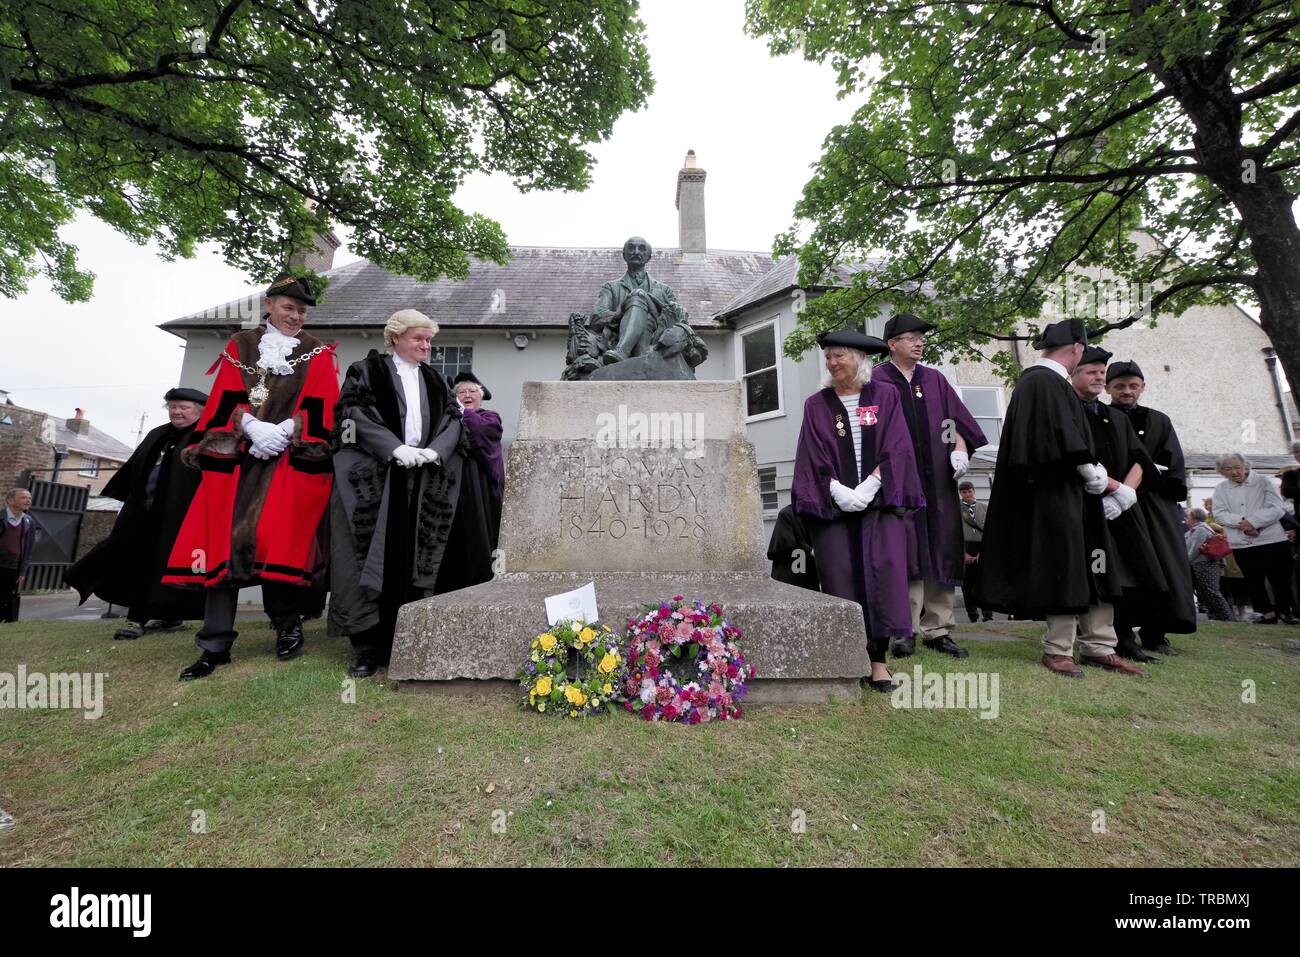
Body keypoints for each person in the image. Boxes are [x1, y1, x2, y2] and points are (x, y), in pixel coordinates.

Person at [163, 272, 338, 680]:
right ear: (269, 305)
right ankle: (215, 643)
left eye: (302, 310)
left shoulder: (316, 351)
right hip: (238, 460)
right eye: (289, 307)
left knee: (279, 542)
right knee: (222, 543)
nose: (296, 316)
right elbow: (225, 395)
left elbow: (322, 402)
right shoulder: (240, 345)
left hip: (287, 460)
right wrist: (250, 427)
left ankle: (286, 624)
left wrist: (285, 431)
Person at [979, 319, 1146, 678]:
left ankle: (1100, 646)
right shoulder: (1042, 381)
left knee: (1094, 564)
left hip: (1073, 494)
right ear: (1076, 348)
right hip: (1055, 494)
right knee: (1066, 568)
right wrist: (1091, 471)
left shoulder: (1048, 383)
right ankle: (1058, 650)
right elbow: (1055, 437)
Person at [329, 311, 469, 678]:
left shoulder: (436, 378)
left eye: (428, 340)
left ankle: (410, 639)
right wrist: (393, 448)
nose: (426, 346)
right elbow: (352, 414)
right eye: (418, 339)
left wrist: (435, 450)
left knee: (416, 560)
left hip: (423, 484)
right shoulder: (366, 371)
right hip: (379, 480)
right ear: (394, 338)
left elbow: (455, 420)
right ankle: (366, 648)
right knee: (369, 560)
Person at [790, 329, 925, 692]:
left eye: (840, 356)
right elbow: (811, 456)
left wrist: (870, 486)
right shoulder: (817, 404)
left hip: (878, 507)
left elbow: (897, 446)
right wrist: (838, 490)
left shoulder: (885, 396)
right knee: (840, 580)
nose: (833, 363)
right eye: (829, 357)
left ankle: (878, 663)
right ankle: (848, 660)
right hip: (835, 511)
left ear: (860, 359)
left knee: (882, 579)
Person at [872, 313, 987, 658]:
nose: (919, 342)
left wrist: (960, 450)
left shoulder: (935, 380)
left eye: (921, 337)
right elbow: (866, 433)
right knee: (905, 555)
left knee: (942, 551)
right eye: (910, 337)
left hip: (939, 481)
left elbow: (957, 422)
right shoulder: (877, 381)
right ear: (892, 344)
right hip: (899, 485)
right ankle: (902, 629)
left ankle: (938, 629)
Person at [66, 388, 209, 639]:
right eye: (172, 407)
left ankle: (170, 615)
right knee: (138, 564)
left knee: (174, 568)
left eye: (183, 407)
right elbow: (135, 468)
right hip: (143, 514)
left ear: (200, 410)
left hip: (181, 519)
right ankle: (136, 618)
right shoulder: (158, 435)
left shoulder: (205, 437)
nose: (176, 411)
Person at [1071, 347, 1171, 663]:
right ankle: (1105, 640)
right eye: (1092, 371)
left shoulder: (1113, 416)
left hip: (1123, 508)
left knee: (1133, 572)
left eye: (1103, 372)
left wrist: (1125, 491)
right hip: (1087, 506)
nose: (1099, 377)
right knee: (1099, 574)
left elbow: (1142, 458)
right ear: (1073, 374)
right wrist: (1112, 488)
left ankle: (1127, 638)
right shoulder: (1070, 412)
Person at [1105, 359, 1197, 655]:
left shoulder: (1159, 420)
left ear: (1143, 387)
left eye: (1133, 386)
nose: (1127, 391)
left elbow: (1172, 463)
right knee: (1124, 570)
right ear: (1108, 388)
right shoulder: (1101, 418)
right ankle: (1122, 634)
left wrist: (1156, 480)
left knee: (1165, 564)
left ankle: (1156, 633)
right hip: (1117, 504)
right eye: (1119, 386)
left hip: (1156, 505)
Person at [1212, 452, 1297, 624]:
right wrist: (1242, 523)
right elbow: (1219, 513)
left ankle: (1285, 611)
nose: (1234, 472)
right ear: (1222, 471)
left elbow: (1276, 507)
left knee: (1280, 578)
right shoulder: (1221, 488)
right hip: (1242, 543)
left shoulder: (1264, 481)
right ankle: (1266, 613)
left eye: (1237, 467)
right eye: (1228, 469)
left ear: (1245, 466)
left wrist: (1253, 522)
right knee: (1253, 580)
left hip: (1271, 539)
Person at [452, 371, 504, 552]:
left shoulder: (490, 417)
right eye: (461, 392)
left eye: (472, 391)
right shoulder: (448, 419)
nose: (467, 395)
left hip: (481, 485)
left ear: (480, 397)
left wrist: (461, 410)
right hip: (454, 485)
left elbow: (479, 430)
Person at [1184, 507, 1237, 621]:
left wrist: (1185, 562)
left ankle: (1227, 617)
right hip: (1200, 563)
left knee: (1211, 591)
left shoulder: (1201, 529)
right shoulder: (1193, 530)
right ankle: (1216, 615)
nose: (1186, 518)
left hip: (1206, 563)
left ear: (1194, 518)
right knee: (1205, 592)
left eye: (1188, 516)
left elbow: (1195, 549)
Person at [958, 481, 993, 622]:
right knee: (967, 586)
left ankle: (988, 615)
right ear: (960, 494)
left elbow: (991, 532)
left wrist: (983, 552)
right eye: (964, 492)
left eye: (969, 491)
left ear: (974, 491)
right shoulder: (956, 510)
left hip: (982, 548)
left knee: (984, 584)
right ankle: (972, 615)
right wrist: (962, 553)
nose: (967, 494)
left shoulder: (984, 508)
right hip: (964, 547)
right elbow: (953, 533)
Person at [0, 488, 36, 622]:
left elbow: (28, 548)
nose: (28, 500)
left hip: (14, 565)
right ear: (10, 500)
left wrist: (23, 571)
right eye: (23, 497)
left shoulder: (29, 521)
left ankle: (6, 621)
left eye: (29, 498)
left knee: (7, 595)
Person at [767, 504, 821, 591]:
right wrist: (810, 550)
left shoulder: (817, 512)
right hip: (790, 572)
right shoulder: (787, 513)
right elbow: (784, 543)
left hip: (808, 573)